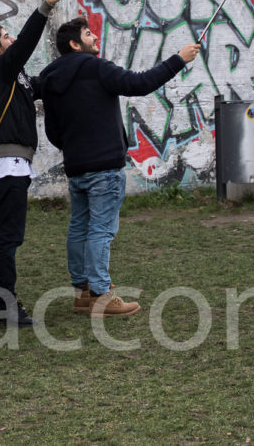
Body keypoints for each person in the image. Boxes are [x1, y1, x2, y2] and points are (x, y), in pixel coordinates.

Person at [39, 18, 201, 317]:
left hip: (76, 166)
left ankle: (83, 293)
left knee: (79, 228)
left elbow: (52, 131)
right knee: (100, 230)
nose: (95, 36)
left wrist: (75, 146)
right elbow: (140, 84)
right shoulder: (96, 68)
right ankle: (102, 295)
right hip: (104, 166)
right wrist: (179, 59)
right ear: (76, 44)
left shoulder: (49, 77)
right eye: (88, 34)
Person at [0, 0, 64, 327]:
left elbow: (46, 82)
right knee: (8, 238)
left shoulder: (18, 77)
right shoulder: (0, 67)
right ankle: (4, 307)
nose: (12, 40)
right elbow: (26, 42)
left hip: (13, 165)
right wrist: (46, 6)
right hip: (8, 165)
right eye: (6, 37)